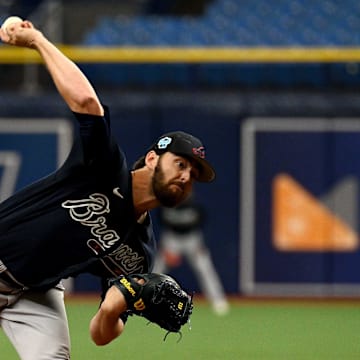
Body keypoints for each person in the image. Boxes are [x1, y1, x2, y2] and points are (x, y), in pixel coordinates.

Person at [0, 19, 215, 359]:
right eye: (181, 164)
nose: (187, 176)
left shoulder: (138, 253)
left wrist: (113, 307)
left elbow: (100, 336)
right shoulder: (103, 167)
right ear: (151, 159)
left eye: (193, 174)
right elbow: (86, 102)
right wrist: (37, 40)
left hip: (35, 292)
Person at [153, 195, 229, 315]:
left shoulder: (194, 207)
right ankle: (146, 299)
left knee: (204, 267)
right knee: (157, 270)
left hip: (192, 238)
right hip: (172, 239)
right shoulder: (166, 207)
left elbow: (199, 222)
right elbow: (163, 222)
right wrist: (166, 248)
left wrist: (199, 246)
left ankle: (218, 301)